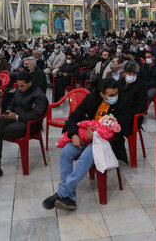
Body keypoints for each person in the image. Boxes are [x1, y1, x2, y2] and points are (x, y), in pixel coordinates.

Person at [42, 78, 127, 211]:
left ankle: (61, 193)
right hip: (83, 136)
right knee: (65, 154)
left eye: (116, 93)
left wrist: (98, 134)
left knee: (85, 158)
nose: (115, 97)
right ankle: (69, 198)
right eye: (111, 95)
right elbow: (74, 117)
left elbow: (124, 128)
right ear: (102, 94)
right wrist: (74, 135)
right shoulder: (91, 99)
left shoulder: (122, 103)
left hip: (105, 142)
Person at [0, 72, 49, 179]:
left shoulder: (39, 96)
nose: (20, 88)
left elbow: (35, 115)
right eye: (18, 85)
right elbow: (12, 103)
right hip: (15, 119)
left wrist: (17, 117)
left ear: (30, 83)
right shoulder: (20, 91)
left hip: (29, 125)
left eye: (22, 86)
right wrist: (9, 111)